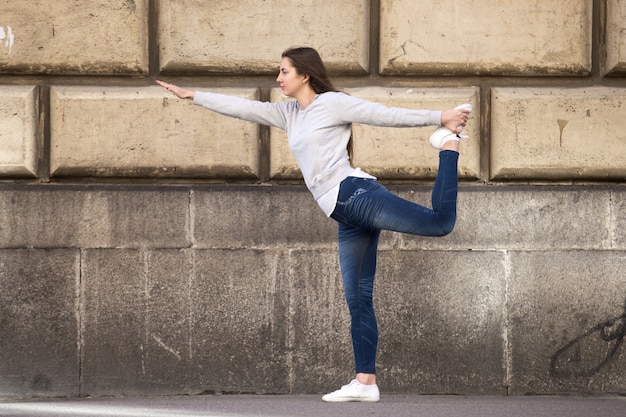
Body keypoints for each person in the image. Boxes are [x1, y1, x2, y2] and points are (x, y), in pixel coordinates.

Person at [157, 46, 471, 403]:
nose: (278, 79)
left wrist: (441, 117)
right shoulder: (290, 113)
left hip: (356, 196)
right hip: (344, 212)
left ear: (304, 75)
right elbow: (245, 108)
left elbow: (382, 115)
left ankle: (449, 146)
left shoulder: (331, 103)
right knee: (358, 299)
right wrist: (192, 95)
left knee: (440, 223)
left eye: (284, 72)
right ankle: (365, 382)